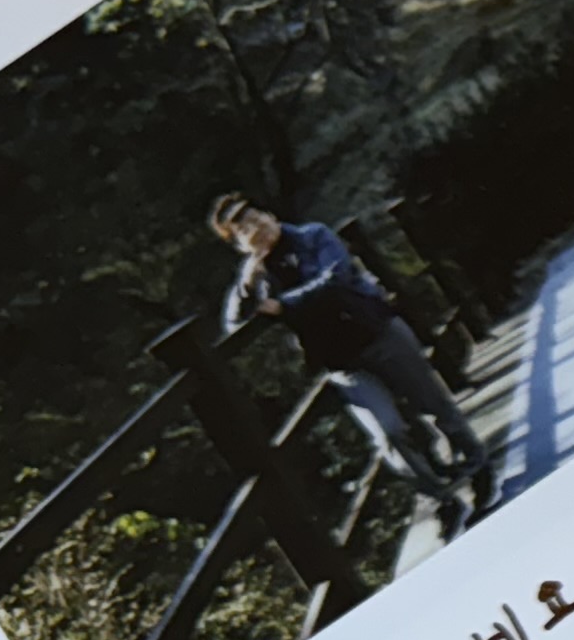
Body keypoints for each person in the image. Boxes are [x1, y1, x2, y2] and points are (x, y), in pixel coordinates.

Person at [209, 196, 491, 522]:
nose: (256, 229)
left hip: (377, 332)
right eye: (244, 230)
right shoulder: (258, 276)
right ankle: (442, 499)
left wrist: (285, 305)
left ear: (271, 215)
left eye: (257, 218)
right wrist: (245, 285)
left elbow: (336, 278)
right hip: (341, 363)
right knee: (387, 433)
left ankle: (479, 468)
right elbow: (234, 324)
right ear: (240, 245)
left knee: (433, 404)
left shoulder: (313, 236)